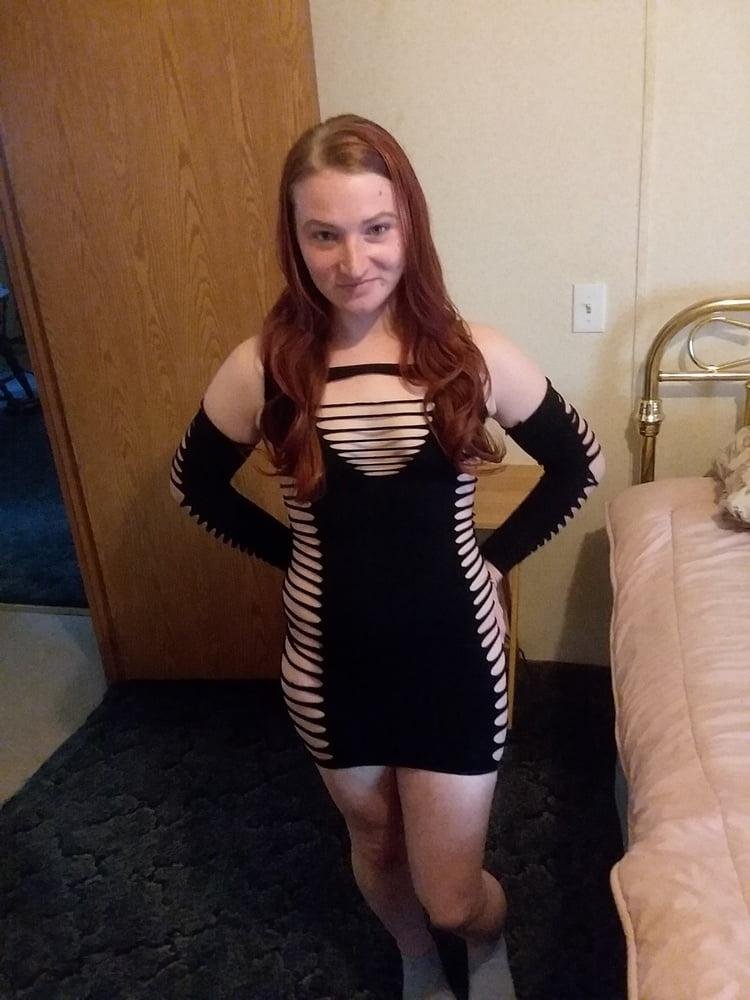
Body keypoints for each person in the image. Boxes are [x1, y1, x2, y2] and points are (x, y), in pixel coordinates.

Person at [170, 113, 605, 1000]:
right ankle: (415, 961)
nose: (353, 260)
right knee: (374, 840)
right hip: (330, 669)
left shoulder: (473, 356)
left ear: (410, 224)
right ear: (294, 240)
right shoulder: (263, 368)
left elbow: (578, 463)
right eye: (323, 234)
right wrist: (295, 556)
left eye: (376, 228)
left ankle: (481, 939)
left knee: (453, 893)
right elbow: (195, 487)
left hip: (455, 663)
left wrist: (498, 558)